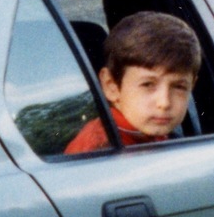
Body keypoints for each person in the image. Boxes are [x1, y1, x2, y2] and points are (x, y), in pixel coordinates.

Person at [65, 11, 201, 154]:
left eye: (179, 87)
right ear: (111, 86)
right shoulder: (101, 150)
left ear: (192, 86)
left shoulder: (146, 131)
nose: (164, 102)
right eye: (147, 84)